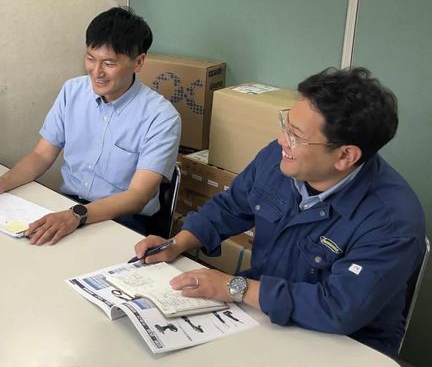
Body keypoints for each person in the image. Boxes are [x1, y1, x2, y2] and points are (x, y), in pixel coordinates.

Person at [133, 67, 426, 357]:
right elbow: (230, 205)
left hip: (346, 344)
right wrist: (177, 243)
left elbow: (338, 307)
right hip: (262, 312)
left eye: (296, 135)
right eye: (286, 124)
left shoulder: (392, 220)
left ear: (345, 156)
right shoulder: (279, 159)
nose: (281, 141)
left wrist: (235, 287)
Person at [0, 7, 181, 245]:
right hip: (69, 205)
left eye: (109, 63)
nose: (96, 72)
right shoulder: (73, 91)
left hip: (123, 221)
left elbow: (138, 196)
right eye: (91, 59)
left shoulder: (161, 117)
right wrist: (3, 183)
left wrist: (76, 216)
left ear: (138, 62)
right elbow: (41, 154)